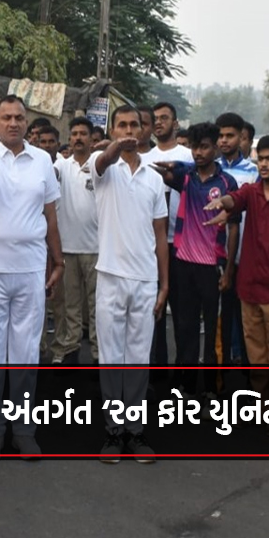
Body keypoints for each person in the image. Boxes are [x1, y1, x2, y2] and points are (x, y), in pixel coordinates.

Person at [0, 95, 63, 457]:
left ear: (27, 122)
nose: (13, 123)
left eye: (19, 117)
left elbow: (50, 215)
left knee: (25, 352)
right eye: (6, 117)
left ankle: (24, 430)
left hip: (30, 269)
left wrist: (58, 262)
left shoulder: (42, 160)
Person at [206, 135, 269, 424]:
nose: (264, 164)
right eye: (260, 158)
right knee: (256, 356)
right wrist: (220, 203)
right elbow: (233, 200)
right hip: (249, 287)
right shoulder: (250, 192)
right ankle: (262, 406)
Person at [91, 105, 168, 463]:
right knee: (111, 357)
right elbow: (104, 160)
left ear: (144, 130)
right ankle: (112, 431)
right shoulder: (103, 167)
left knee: (138, 359)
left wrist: (164, 283)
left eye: (134, 125)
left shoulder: (154, 178)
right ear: (111, 129)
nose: (128, 131)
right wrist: (112, 146)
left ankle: (135, 433)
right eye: (121, 125)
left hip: (145, 279)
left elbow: (160, 233)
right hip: (110, 275)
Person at [154, 121, 239, 398]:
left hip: (213, 267)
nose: (198, 152)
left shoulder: (228, 183)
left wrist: (228, 271)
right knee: (185, 327)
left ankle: (213, 389)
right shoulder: (186, 176)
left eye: (204, 147)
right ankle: (187, 387)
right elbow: (165, 173)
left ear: (215, 148)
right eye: (194, 147)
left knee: (215, 332)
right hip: (183, 265)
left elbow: (234, 226)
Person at [140, 102, 192, 378]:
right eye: (155, 119)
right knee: (154, 311)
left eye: (164, 118)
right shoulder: (145, 158)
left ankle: (183, 376)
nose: (158, 123)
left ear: (175, 123)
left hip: (184, 243)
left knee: (183, 312)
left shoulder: (189, 156)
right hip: (152, 244)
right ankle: (156, 372)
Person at [51, 117, 101, 365]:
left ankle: (98, 354)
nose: (78, 138)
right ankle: (69, 349)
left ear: (92, 139)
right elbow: (48, 176)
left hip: (96, 249)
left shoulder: (99, 166)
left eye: (83, 133)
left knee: (95, 307)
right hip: (67, 248)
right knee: (70, 305)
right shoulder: (61, 167)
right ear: (69, 139)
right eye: (74, 134)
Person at [214, 112, 259, 372]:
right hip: (214, 255)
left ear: (242, 137)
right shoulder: (211, 169)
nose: (224, 141)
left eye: (230, 135)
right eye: (220, 135)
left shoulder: (254, 172)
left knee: (245, 318)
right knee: (219, 316)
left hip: (244, 255)